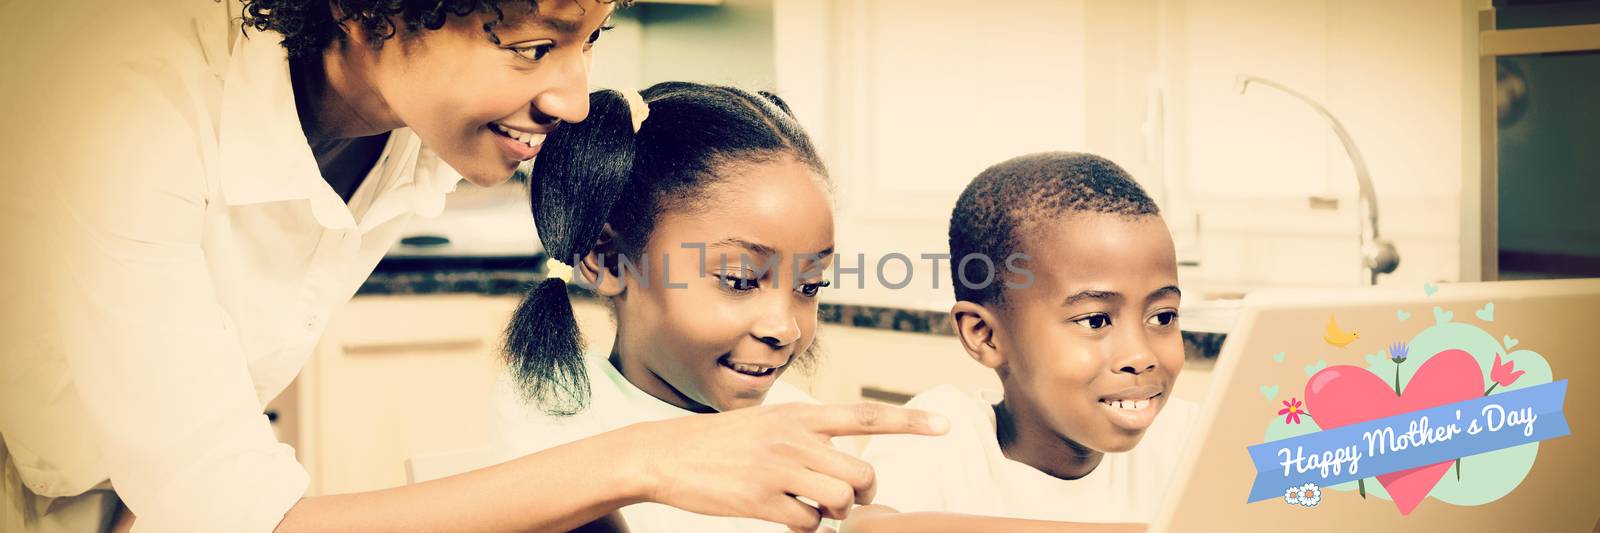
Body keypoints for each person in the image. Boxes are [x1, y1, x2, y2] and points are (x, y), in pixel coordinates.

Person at [0, 2, 943, 532]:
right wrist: (651, 458)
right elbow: (252, 515)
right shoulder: (126, 100)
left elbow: (190, 439)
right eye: (535, 45)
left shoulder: (412, 141)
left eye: (592, 41)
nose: (572, 96)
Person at [495, 82, 843, 532]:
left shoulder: (799, 422)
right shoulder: (553, 409)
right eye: (739, 281)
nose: (786, 328)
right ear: (607, 260)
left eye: (810, 287)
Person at [846, 152, 1199, 532]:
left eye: (1162, 317)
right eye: (1095, 321)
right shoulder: (939, 438)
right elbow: (865, 529)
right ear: (985, 335)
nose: (1140, 356)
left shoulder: (1189, 438)